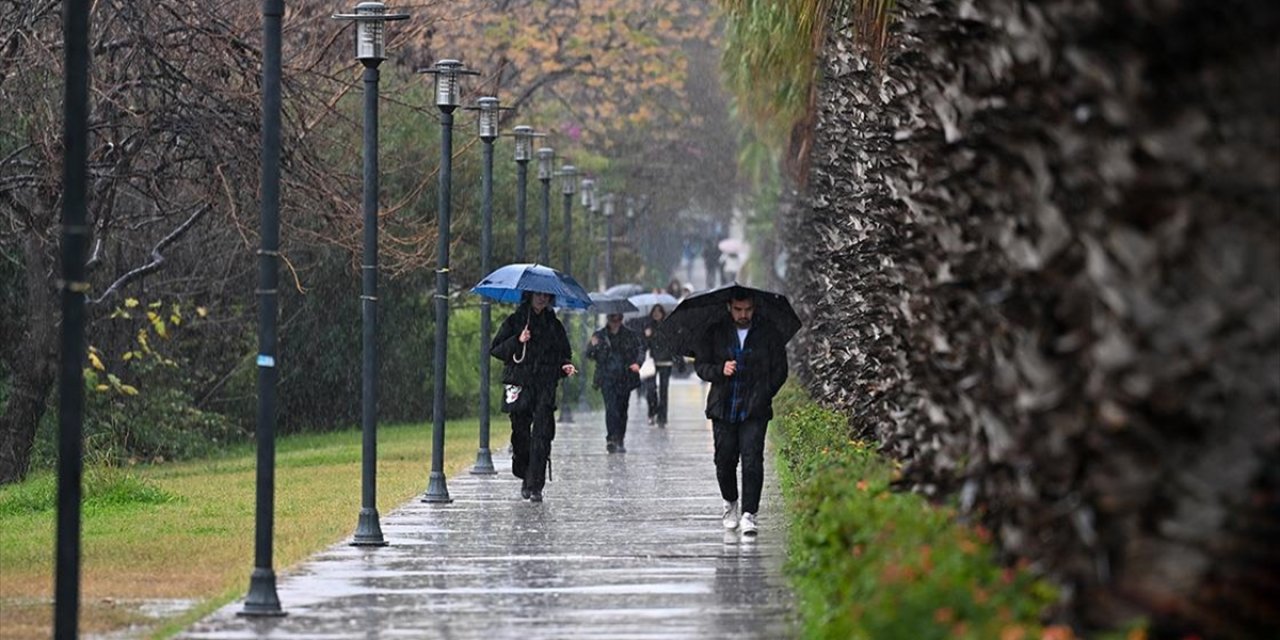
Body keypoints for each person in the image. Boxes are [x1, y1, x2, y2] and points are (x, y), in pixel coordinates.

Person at [692, 290, 788, 536]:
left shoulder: (768, 332)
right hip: (723, 406)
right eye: (738, 310)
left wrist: (764, 391)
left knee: (752, 460)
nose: (743, 315)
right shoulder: (714, 331)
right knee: (724, 460)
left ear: (754, 308)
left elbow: (780, 369)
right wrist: (719, 369)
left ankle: (749, 513)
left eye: (747, 310)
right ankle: (730, 502)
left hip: (755, 408)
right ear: (729, 307)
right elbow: (701, 366)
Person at [490, 291, 577, 502]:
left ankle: (535, 484)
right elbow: (496, 349)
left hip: (545, 385)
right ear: (529, 296)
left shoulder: (554, 326)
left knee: (542, 434)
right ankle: (525, 472)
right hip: (519, 383)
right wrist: (518, 340)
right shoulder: (515, 321)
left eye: (546, 296)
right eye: (538, 295)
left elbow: (563, 353)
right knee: (520, 433)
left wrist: (565, 365)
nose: (542, 299)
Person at [586, 312, 643, 453]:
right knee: (611, 408)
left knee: (622, 409)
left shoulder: (630, 334)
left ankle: (620, 438)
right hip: (607, 377)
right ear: (608, 319)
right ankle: (611, 438)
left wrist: (638, 363)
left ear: (622, 319)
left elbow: (640, 350)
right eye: (613, 318)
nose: (615, 321)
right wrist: (593, 346)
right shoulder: (599, 335)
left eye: (618, 318)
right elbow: (589, 354)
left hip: (625, 377)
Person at [641, 304, 674, 427]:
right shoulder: (648, 326)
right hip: (652, 363)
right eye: (654, 312)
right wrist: (647, 336)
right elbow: (644, 345)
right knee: (651, 390)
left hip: (666, 362)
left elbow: (673, 343)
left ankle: (662, 417)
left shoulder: (668, 326)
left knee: (664, 391)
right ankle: (652, 411)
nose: (656, 314)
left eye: (659, 312)